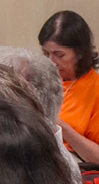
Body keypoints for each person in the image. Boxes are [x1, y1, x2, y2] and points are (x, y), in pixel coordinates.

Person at [39, 10, 99, 164]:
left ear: (79, 53)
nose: (51, 62)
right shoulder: (37, 76)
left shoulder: (94, 88)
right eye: (46, 54)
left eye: (59, 55)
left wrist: (61, 128)